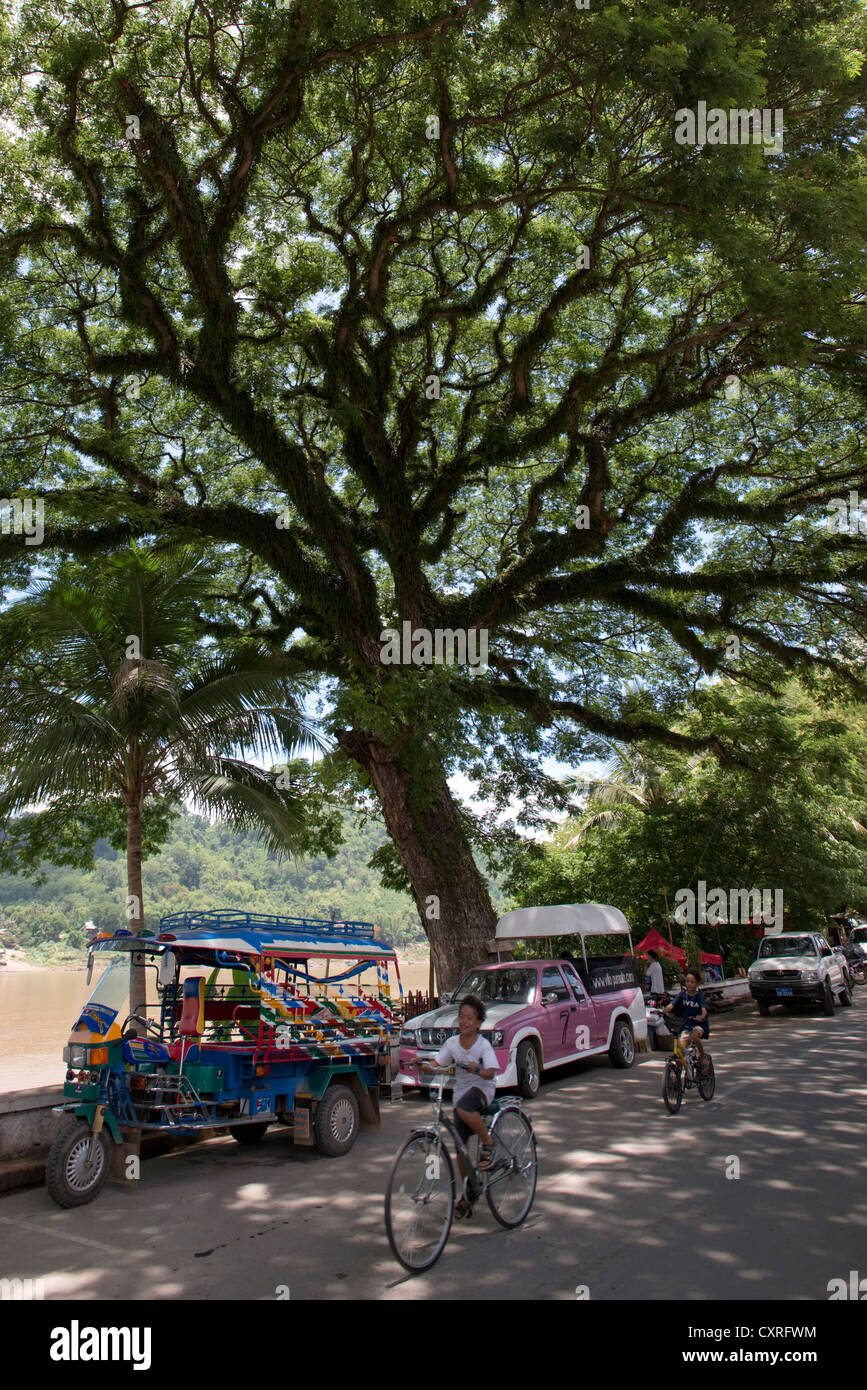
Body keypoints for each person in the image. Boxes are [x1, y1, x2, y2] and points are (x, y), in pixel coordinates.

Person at [420, 994, 499, 1219]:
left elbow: (491, 1071)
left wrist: (477, 1070)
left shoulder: (483, 1046)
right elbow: (438, 1062)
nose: (464, 1021)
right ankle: (469, 1192)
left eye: (469, 1018)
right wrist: (425, 1065)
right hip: (461, 1094)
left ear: (478, 1023)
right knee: (460, 1149)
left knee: (465, 1108)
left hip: (482, 1089)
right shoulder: (452, 1044)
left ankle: (488, 1143)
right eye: (461, 1017)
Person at [665, 968, 711, 1073]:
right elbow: (671, 1005)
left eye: (692, 982)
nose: (689, 984)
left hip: (698, 1025)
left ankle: (703, 1056)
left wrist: (701, 1016)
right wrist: (662, 1011)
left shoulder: (699, 996)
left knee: (694, 1036)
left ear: (697, 983)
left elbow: (704, 1010)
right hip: (686, 1025)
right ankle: (677, 1074)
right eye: (687, 982)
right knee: (680, 1049)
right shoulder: (682, 995)